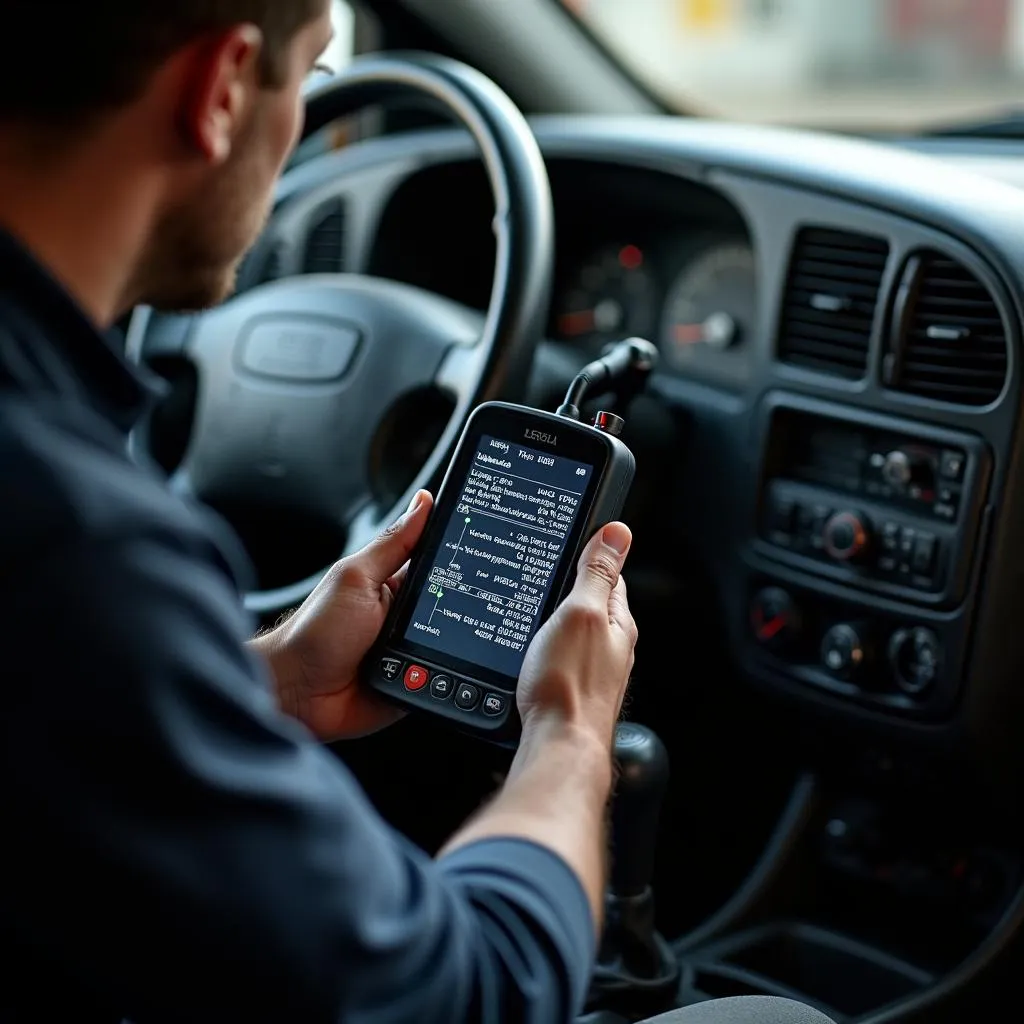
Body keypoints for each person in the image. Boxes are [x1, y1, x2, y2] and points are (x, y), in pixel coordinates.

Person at [0, 3, 835, 1022]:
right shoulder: (77, 546)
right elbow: (469, 993)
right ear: (221, 89)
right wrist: (568, 731)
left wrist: (258, 685)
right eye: (305, 81)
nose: (300, 127)